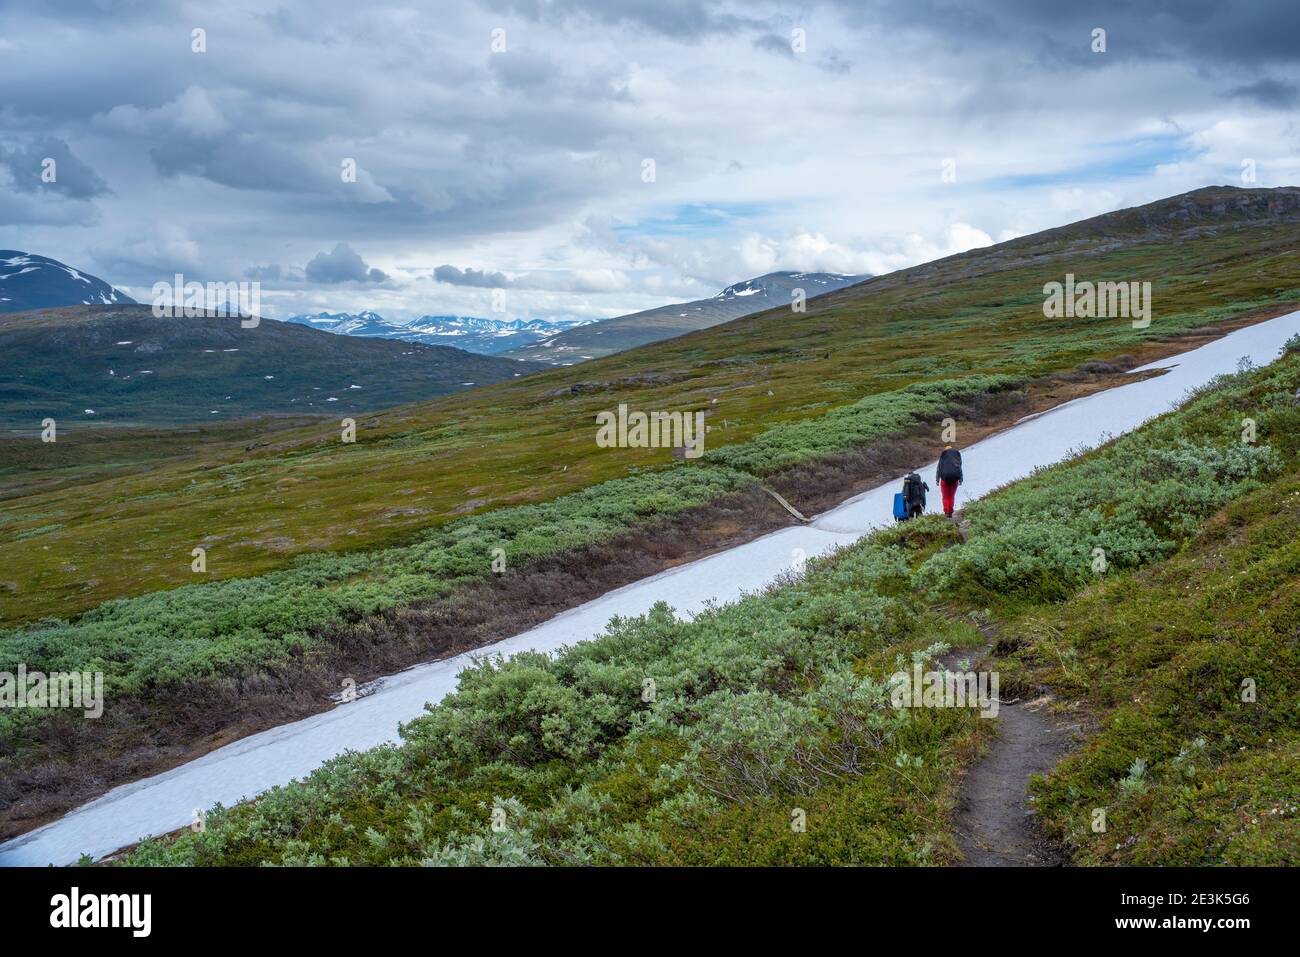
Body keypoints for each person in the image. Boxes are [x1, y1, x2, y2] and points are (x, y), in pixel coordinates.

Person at [936, 444, 963, 518]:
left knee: (945, 497)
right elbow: (959, 468)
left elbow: (939, 469)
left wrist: (937, 479)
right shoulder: (956, 457)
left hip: (944, 480)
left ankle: (946, 512)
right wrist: (960, 479)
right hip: (955, 479)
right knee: (951, 496)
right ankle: (950, 512)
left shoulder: (943, 457)